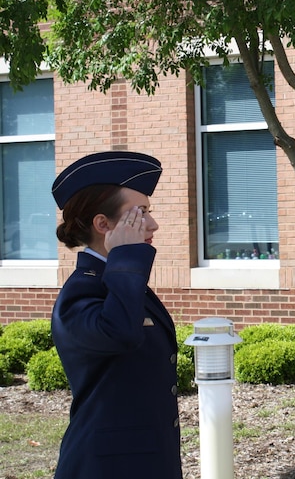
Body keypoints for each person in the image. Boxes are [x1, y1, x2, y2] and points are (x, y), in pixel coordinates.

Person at [50, 151, 182, 479]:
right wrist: (125, 256)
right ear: (102, 224)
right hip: (105, 467)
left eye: (149, 212)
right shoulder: (82, 291)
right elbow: (120, 332)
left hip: (147, 461)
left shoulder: (123, 280)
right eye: (139, 214)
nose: (153, 224)